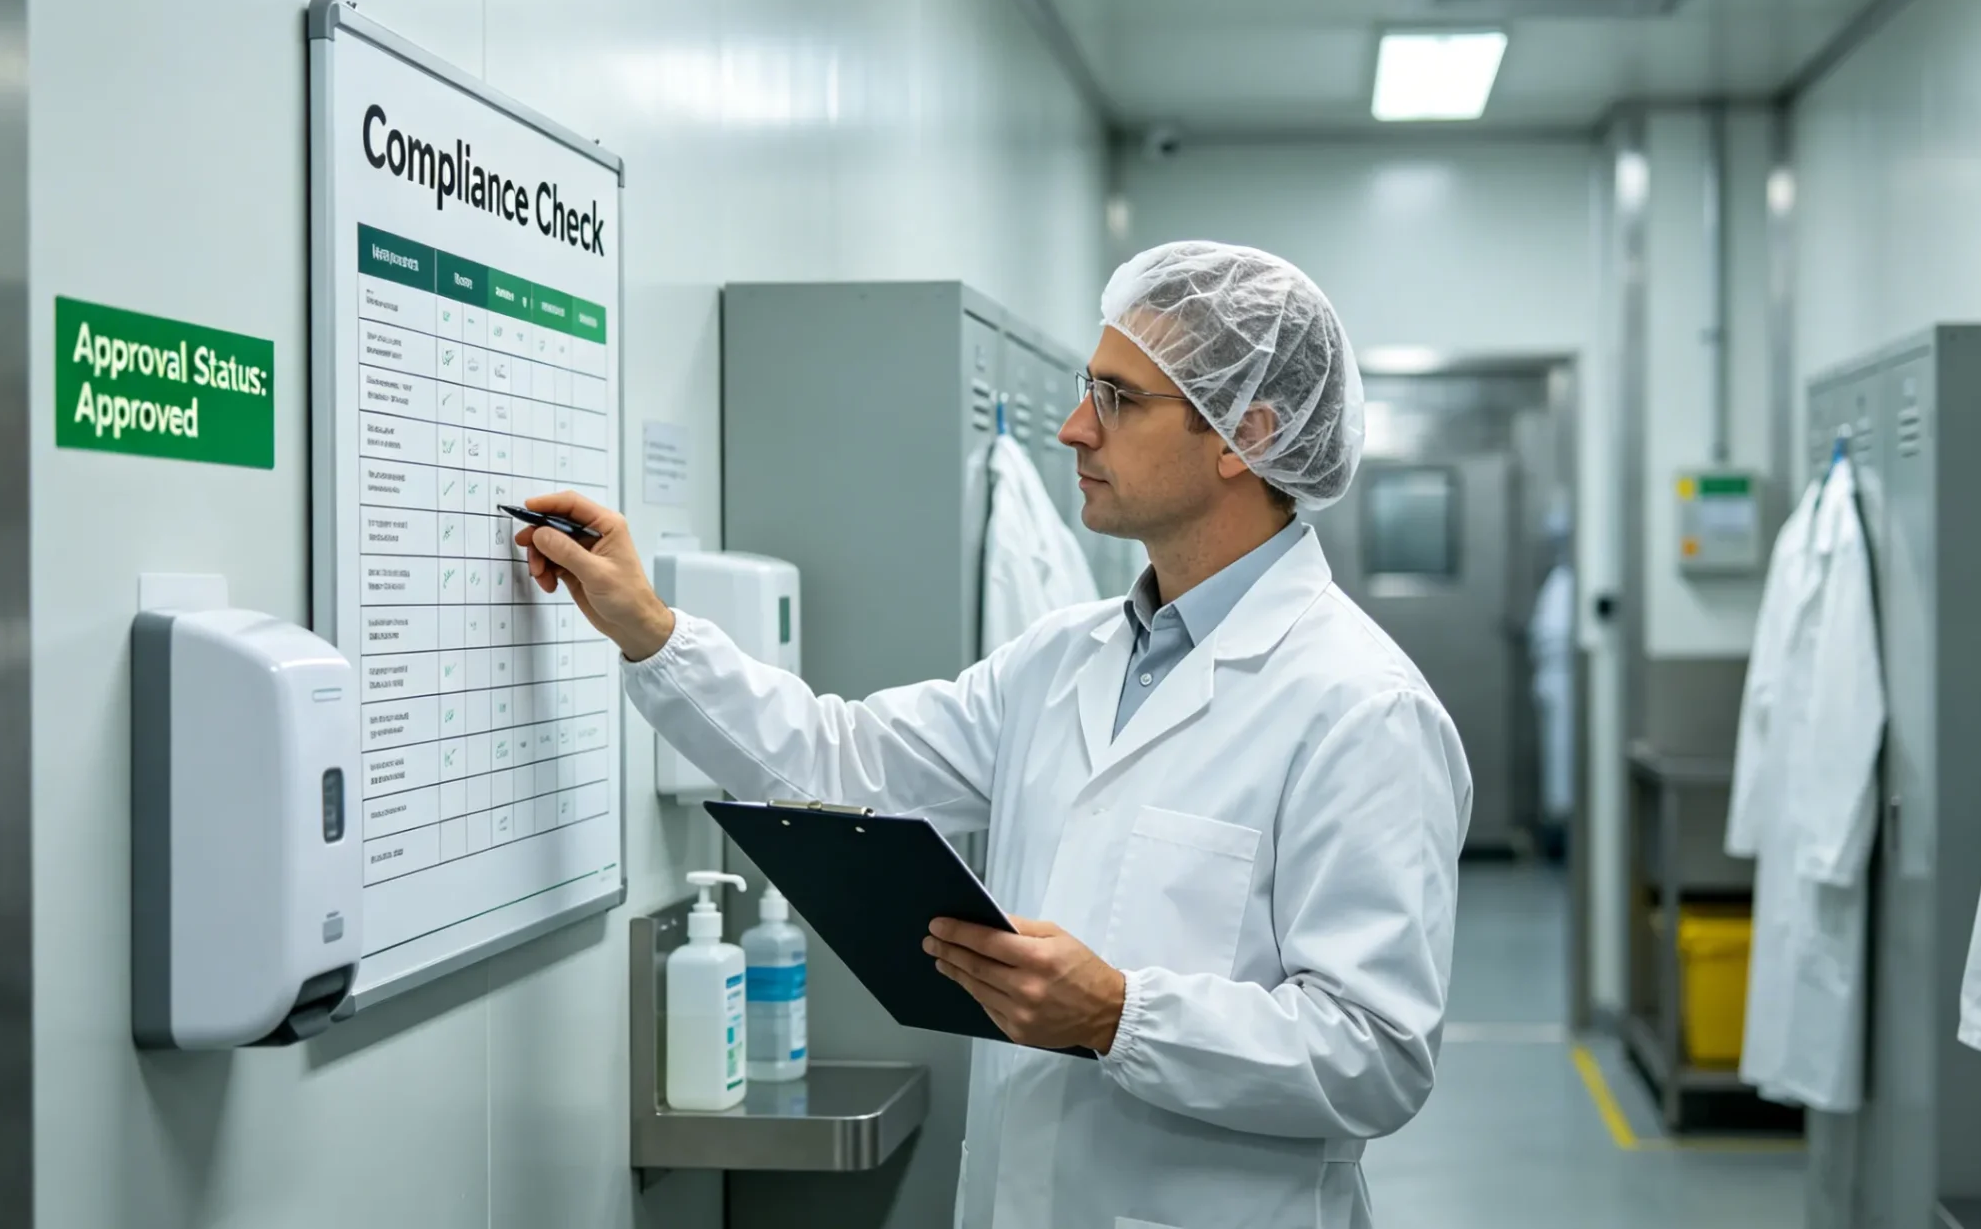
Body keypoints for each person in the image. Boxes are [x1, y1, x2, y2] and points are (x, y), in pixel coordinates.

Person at [515, 241, 1471, 1229]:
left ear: (1245, 432)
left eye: (1117, 399)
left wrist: (1118, 1014)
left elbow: (1377, 1053)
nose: (1070, 429)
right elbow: (837, 759)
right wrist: (650, 627)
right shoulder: (1061, 659)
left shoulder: (1360, 706)